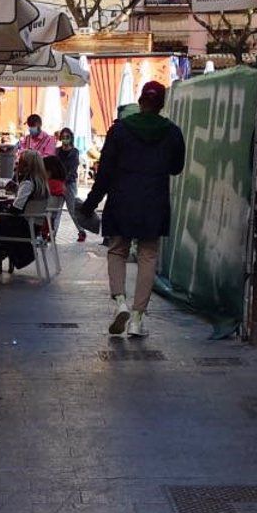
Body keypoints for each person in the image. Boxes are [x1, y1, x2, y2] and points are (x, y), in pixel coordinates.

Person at [82, 80, 184, 337]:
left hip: (122, 200)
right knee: (148, 256)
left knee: (117, 250)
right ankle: (138, 319)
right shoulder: (172, 132)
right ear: (161, 105)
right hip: (154, 202)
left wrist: (90, 203)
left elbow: (105, 172)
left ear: (140, 102)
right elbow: (176, 167)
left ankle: (120, 303)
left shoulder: (120, 131)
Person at [0, 149, 52, 281]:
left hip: (24, 227)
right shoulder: (40, 182)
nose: (17, 164)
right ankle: (2, 257)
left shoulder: (28, 182)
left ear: (27, 165)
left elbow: (16, 209)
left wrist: (0, 210)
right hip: (34, 225)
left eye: (20, 162)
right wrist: (17, 188)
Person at [55, 128, 84, 241]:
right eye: (63, 137)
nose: (65, 139)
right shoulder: (57, 151)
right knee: (56, 210)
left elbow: (72, 169)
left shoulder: (74, 152)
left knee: (72, 209)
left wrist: (65, 181)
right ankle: (52, 233)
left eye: (67, 137)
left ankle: (81, 230)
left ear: (71, 138)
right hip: (58, 183)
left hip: (69, 184)